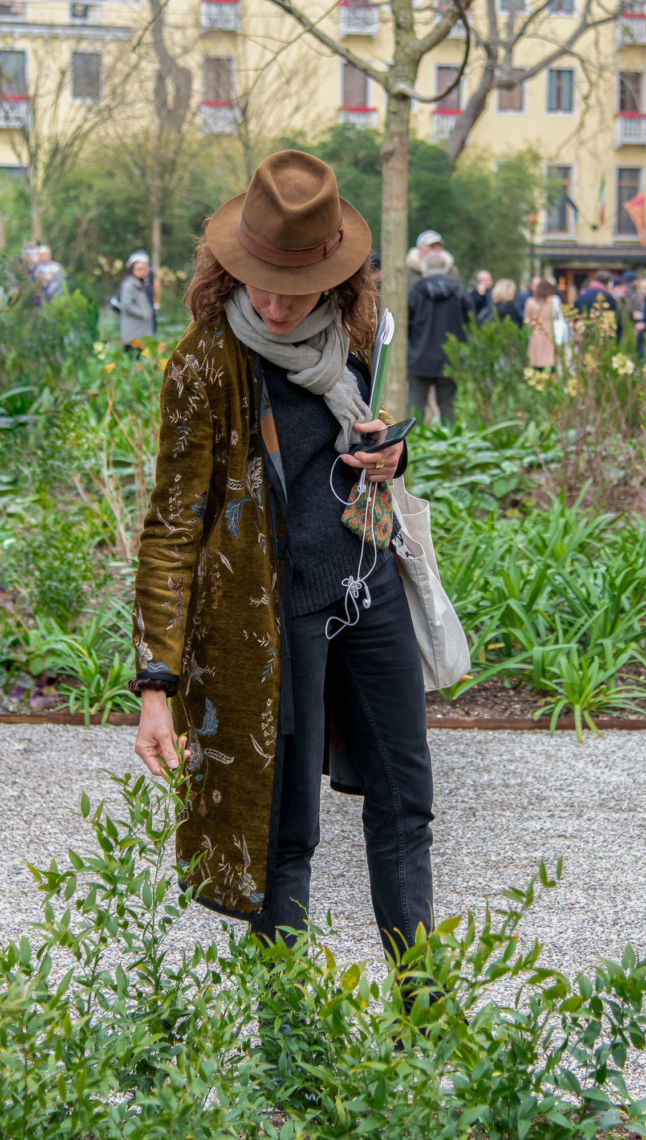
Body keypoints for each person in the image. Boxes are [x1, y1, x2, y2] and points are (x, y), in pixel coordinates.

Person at [130, 150, 434, 959]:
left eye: (293, 286)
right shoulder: (204, 364)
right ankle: (288, 1051)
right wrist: (155, 683)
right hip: (270, 616)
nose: (272, 303)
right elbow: (169, 526)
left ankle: (428, 1023)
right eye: (257, 278)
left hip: (365, 591)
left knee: (407, 802)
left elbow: (349, 444)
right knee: (283, 829)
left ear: (336, 278)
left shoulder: (356, 330)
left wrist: (386, 458)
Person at [407, 248, 471, 424]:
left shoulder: (414, 292)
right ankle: (450, 445)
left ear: (424, 270)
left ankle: (414, 445)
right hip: (450, 358)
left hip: (419, 357)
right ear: (446, 270)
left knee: (415, 406)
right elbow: (470, 324)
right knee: (447, 405)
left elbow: (406, 324)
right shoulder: (459, 293)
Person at [119, 251, 155, 353]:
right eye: (139, 268)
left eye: (144, 268)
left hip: (141, 333)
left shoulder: (141, 283)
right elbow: (126, 305)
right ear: (132, 269)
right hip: (133, 334)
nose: (142, 271)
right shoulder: (129, 285)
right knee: (133, 363)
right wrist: (144, 314)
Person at [524, 277, 557, 371]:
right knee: (551, 361)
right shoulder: (553, 302)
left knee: (537, 362)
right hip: (550, 333)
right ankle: (553, 381)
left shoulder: (530, 302)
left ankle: (537, 382)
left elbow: (527, 320)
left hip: (536, 333)